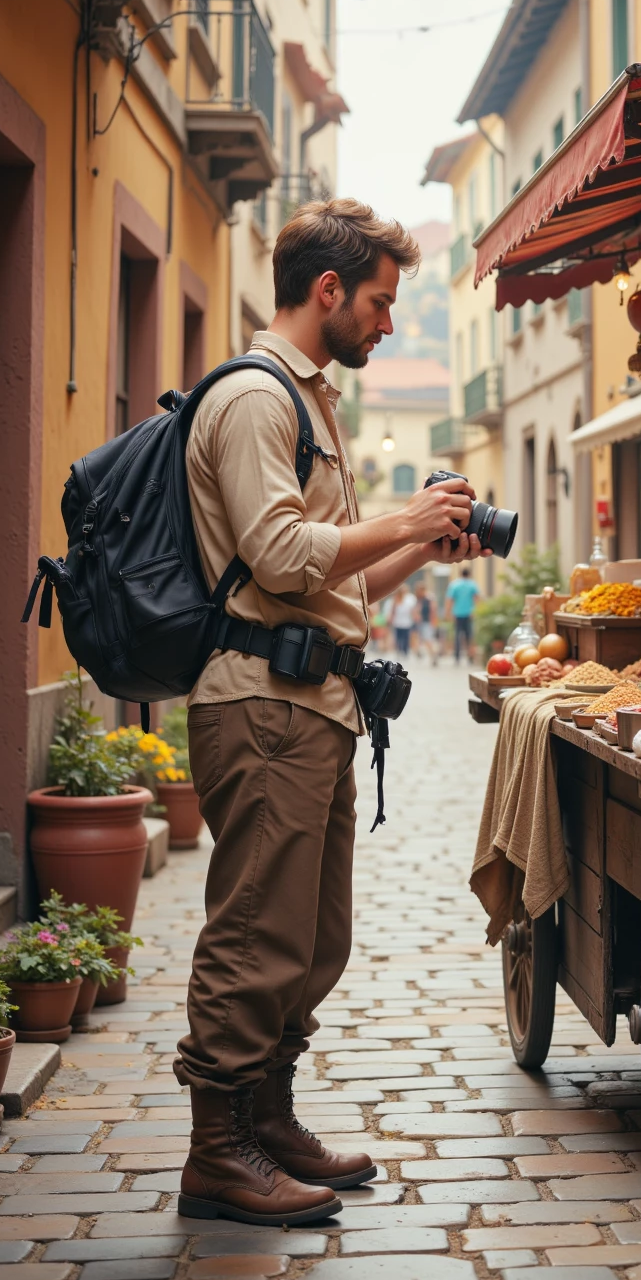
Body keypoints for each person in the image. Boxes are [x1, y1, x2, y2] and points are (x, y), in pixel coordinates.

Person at [176, 199, 490, 1226]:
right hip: (260, 704)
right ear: (328, 293)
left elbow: (333, 584)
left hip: (312, 701)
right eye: (381, 302)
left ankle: (267, 1117)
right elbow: (276, 556)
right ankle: (216, 1152)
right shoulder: (257, 401)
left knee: (313, 937)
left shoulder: (312, 403)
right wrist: (398, 517)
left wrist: (419, 545)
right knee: (256, 933)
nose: (389, 323)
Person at [445, 565, 480, 665]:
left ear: (460, 574)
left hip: (457, 613)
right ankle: (470, 656)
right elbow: (477, 598)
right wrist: (477, 611)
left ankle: (457, 657)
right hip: (469, 613)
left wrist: (448, 613)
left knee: (457, 635)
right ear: (469, 574)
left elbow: (449, 600)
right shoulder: (472, 584)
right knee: (470, 636)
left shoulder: (454, 584)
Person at [389, 584, 417, 658]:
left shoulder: (410, 599)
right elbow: (393, 610)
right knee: (398, 637)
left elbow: (412, 610)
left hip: (407, 622)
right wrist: (391, 618)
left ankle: (405, 651)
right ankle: (399, 650)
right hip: (398, 622)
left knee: (406, 638)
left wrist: (415, 617)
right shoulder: (395, 599)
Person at [415, 582, 438, 665]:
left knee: (428, 639)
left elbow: (433, 609)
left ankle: (433, 655)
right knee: (425, 639)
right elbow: (418, 609)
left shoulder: (429, 598)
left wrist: (433, 621)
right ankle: (431, 654)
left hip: (427, 622)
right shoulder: (421, 598)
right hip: (423, 621)